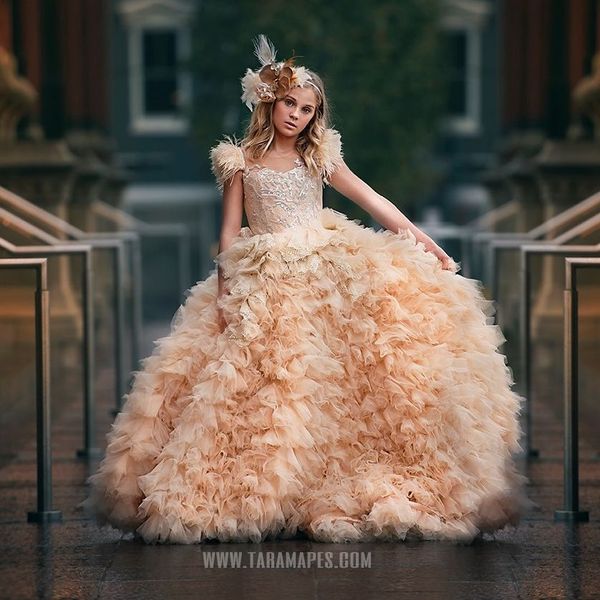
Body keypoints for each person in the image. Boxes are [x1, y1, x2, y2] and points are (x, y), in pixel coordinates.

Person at [80, 34, 533, 544]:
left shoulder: (319, 157)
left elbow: (371, 198)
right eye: (290, 104)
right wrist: (230, 287)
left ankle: (340, 477)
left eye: (307, 109)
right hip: (264, 271)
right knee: (267, 378)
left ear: (316, 116)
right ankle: (269, 487)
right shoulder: (242, 160)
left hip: (327, 264)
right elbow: (229, 231)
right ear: (271, 102)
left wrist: (426, 242)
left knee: (353, 372)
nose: (295, 115)